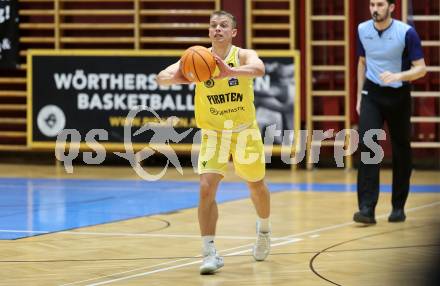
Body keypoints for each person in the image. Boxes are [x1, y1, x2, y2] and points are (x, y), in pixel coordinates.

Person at [156, 10, 271, 274]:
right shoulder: (198, 57)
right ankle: (209, 252)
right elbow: (162, 75)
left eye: (223, 25)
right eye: (213, 25)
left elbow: (260, 68)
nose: (217, 29)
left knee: (257, 187)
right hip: (212, 133)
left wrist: (231, 71)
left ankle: (264, 230)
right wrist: (175, 78)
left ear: (233, 32)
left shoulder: (241, 55)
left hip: (244, 132)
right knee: (206, 187)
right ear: (209, 32)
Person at [354, 0, 426, 224]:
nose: (375, 9)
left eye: (380, 4)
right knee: (368, 146)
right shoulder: (362, 29)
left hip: (398, 95)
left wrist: (398, 76)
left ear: (392, 8)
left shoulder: (407, 33)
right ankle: (366, 208)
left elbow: (421, 69)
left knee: (401, 149)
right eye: (372, 4)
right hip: (372, 94)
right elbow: (362, 62)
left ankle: (398, 206)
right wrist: (359, 96)